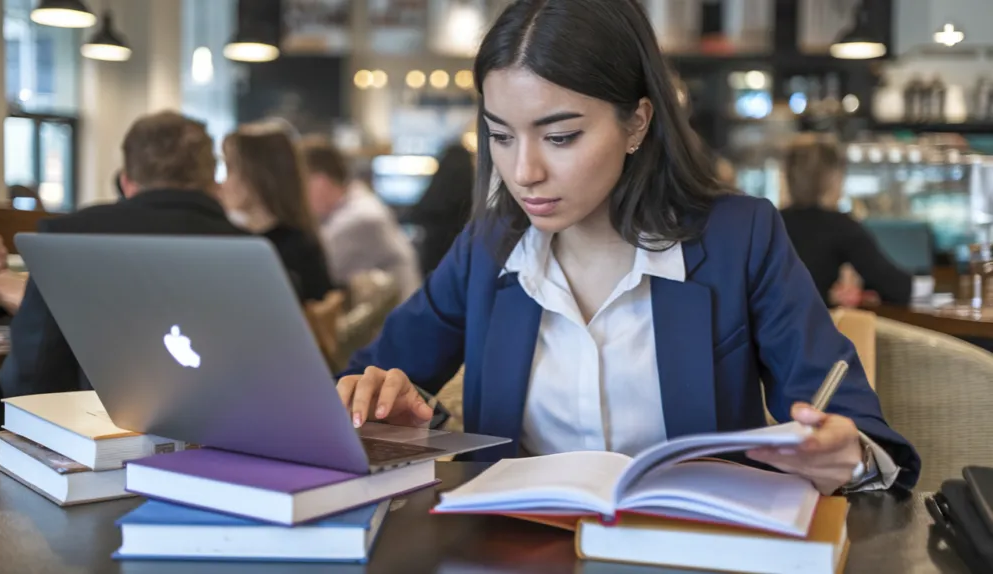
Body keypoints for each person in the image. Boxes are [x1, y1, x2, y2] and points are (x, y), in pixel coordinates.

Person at [335, 0, 920, 495]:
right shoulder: (488, 248)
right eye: (500, 136)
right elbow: (370, 393)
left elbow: (857, 429)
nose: (523, 171)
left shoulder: (740, 239)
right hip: (516, 551)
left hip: (694, 551)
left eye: (560, 136)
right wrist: (390, 414)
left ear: (637, 122)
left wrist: (851, 455)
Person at [0, 111, 248, 398]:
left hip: (92, 429)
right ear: (212, 182)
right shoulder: (259, 251)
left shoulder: (69, 237)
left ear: (127, 181)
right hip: (228, 433)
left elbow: (33, 370)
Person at [779, 139, 913, 307]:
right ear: (833, 178)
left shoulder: (768, 223)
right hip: (818, 331)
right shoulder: (840, 227)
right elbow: (898, 288)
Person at [219, 126, 334, 302]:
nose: (224, 183)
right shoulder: (229, 237)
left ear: (258, 175)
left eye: (230, 169)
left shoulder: (298, 247)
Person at [302, 140, 421, 301]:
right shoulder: (354, 200)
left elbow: (314, 271)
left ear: (321, 182)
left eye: (301, 185)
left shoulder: (360, 219)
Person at [404, 143, 475, 276]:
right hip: (460, 254)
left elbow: (417, 213)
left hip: (434, 251)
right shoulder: (469, 188)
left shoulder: (438, 187)